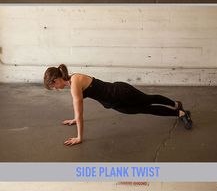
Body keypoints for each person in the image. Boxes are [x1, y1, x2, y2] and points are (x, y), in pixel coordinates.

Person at [43, 62, 192, 145]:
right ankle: (177, 107)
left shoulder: (75, 83)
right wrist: (75, 119)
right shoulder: (72, 82)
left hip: (121, 93)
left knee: (148, 101)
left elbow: (80, 113)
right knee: (145, 108)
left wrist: (79, 137)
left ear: (56, 80)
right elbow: (78, 113)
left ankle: (179, 110)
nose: (56, 89)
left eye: (53, 86)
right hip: (116, 102)